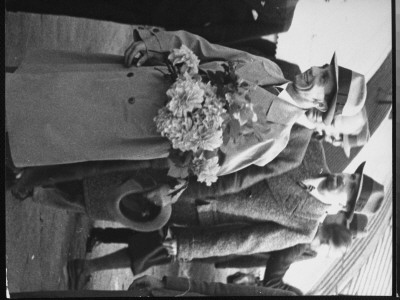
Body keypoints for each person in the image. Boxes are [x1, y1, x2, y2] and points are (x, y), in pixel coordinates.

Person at [7, 27, 366, 197]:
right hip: (143, 80)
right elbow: (204, 48)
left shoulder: (274, 136)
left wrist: (198, 126)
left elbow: (211, 162)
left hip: (142, 127)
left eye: (321, 82)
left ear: (321, 104)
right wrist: (157, 42)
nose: (313, 74)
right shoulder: (267, 68)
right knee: (46, 88)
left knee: (53, 125)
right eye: (320, 69)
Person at [68, 210, 365, 292]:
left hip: (211, 232)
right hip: (210, 233)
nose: (321, 253)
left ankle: (87, 264)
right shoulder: (300, 241)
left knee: (148, 245)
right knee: (149, 249)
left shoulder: (305, 229)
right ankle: (85, 267)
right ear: (326, 241)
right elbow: (251, 245)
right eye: (326, 250)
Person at [6, 0, 299, 46]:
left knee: (89, 7)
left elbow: (221, 35)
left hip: (166, 13)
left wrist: (175, 32)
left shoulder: (279, 17)